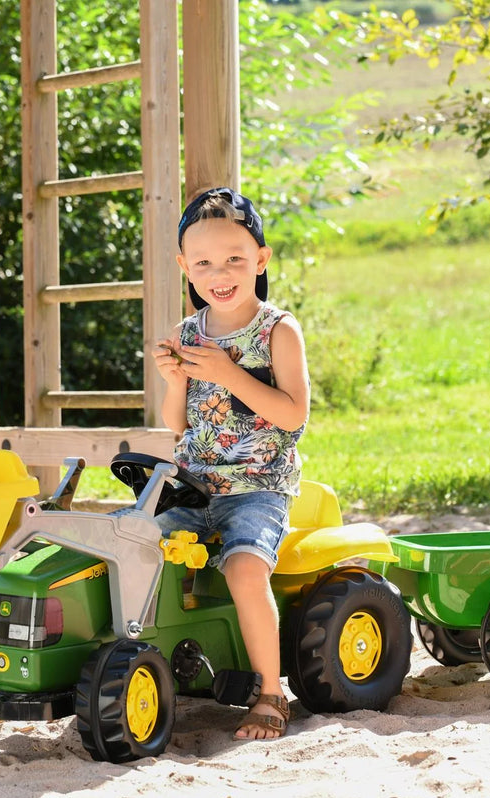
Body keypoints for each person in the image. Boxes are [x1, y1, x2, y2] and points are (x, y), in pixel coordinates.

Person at [151, 186, 310, 741]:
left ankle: (270, 694)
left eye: (234, 259)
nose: (219, 273)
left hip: (256, 487)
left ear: (261, 260)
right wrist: (175, 381)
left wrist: (228, 374)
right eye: (204, 263)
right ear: (185, 267)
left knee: (244, 569)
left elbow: (293, 415)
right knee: (134, 546)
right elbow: (177, 424)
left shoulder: (277, 330)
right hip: (193, 484)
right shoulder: (186, 333)